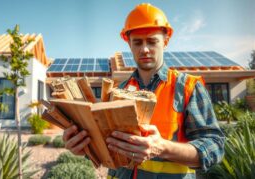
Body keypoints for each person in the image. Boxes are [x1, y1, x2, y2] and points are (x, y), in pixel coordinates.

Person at [63, 3, 225, 179]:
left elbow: (215, 146)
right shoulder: (118, 91)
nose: (144, 49)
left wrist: (163, 147)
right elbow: (108, 148)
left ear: (165, 41)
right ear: (129, 44)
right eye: (138, 42)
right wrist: (84, 147)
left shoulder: (187, 87)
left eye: (152, 41)